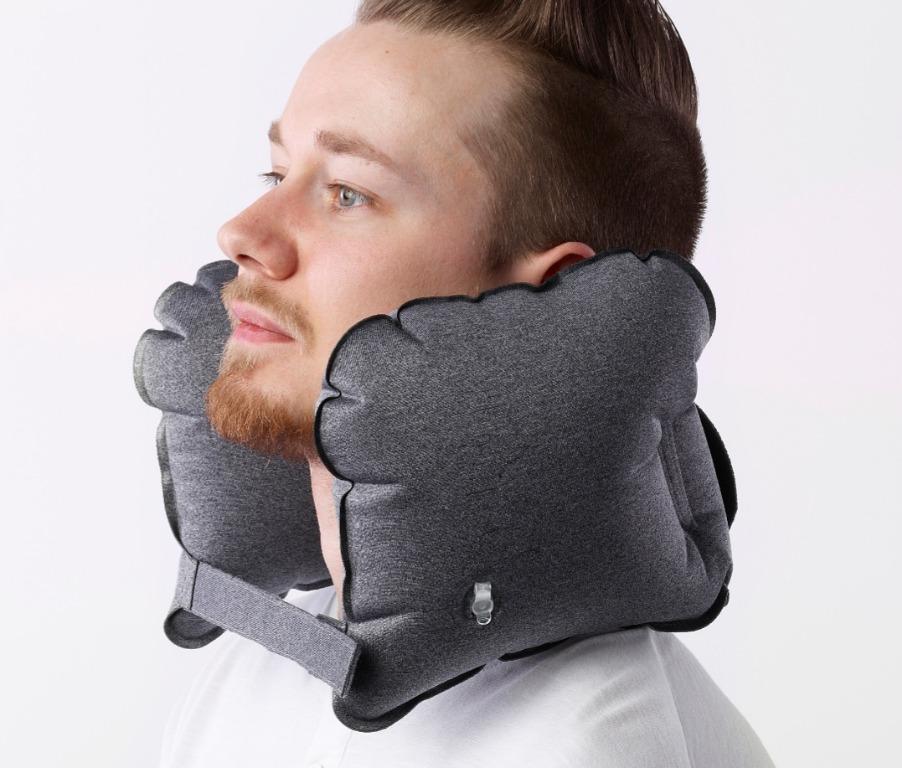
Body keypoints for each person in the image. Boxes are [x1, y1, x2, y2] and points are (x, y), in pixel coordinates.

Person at [159, 1, 776, 765]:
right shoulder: (271, 657)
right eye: (278, 173)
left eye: (348, 193)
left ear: (550, 313)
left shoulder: (585, 741)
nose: (243, 234)